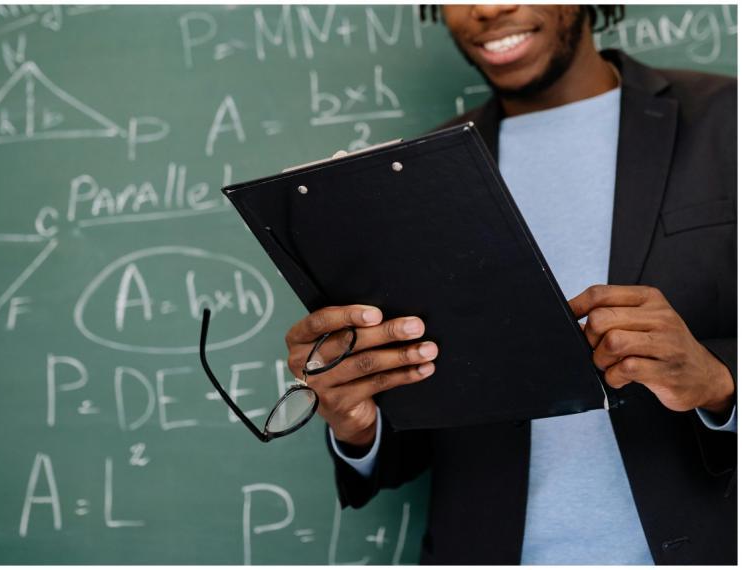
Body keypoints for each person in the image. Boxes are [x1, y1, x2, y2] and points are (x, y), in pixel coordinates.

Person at [283, 4, 736, 565]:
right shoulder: (412, 180)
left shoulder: (726, 121)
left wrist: (718, 381)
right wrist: (357, 422)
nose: (489, 7)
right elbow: (418, 426)